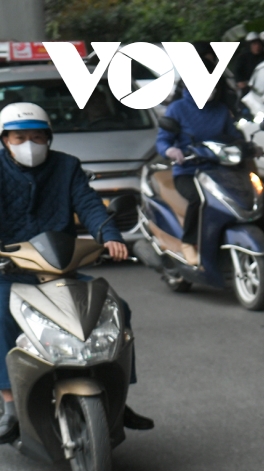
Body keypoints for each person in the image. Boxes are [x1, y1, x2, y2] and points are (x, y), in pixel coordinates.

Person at [0, 103, 153, 442]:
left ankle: (116, 395)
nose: (29, 144)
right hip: (10, 268)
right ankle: (9, 404)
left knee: (116, 309)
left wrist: (110, 236)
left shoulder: (66, 167)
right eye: (19, 137)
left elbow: (87, 204)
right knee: (0, 316)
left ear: (49, 138)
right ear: (5, 140)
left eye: (37, 137)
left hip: (59, 268)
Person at [156, 87, 245, 265]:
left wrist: (249, 148)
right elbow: (163, 139)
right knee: (199, 200)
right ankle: (188, 242)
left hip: (218, 170)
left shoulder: (220, 110)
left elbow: (233, 138)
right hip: (188, 171)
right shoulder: (177, 108)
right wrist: (170, 150)